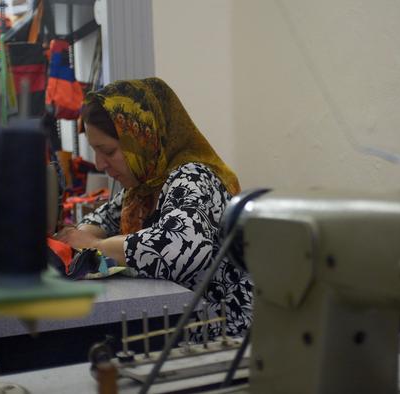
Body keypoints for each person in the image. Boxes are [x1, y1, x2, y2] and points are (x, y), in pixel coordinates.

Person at [56, 78, 253, 338]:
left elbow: (178, 246)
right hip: (182, 326)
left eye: (109, 151)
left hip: (224, 337)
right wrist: (81, 236)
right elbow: (99, 221)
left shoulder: (192, 176)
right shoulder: (142, 189)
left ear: (142, 139)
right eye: (95, 151)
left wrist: (97, 247)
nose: (100, 164)